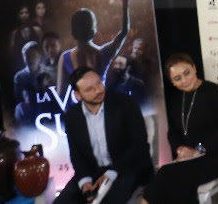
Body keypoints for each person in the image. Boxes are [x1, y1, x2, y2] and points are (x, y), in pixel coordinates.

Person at [140, 53, 218, 204]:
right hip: (188, 157)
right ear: (172, 82)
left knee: (166, 174)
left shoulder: (214, 92)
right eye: (177, 78)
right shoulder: (176, 99)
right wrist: (179, 148)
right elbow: (173, 132)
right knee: (167, 180)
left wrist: (198, 149)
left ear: (194, 68)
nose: (184, 80)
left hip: (214, 155)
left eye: (187, 73)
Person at [56, 66, 154, 204]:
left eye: (99, 83)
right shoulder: (72, 116)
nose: (98, 90)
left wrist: (112, 172)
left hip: (128, 168)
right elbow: (76, 155)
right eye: (90, 89)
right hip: (94, 172)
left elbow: (139, 145)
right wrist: (84, 181)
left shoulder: (125, 103)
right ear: (78, 95)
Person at [58, 0, 133, 88]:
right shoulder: (104, 53)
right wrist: (125, 3)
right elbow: (124, 31)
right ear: (94, 29)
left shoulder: (65, 58)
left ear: (73, 32)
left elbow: (60, 93)